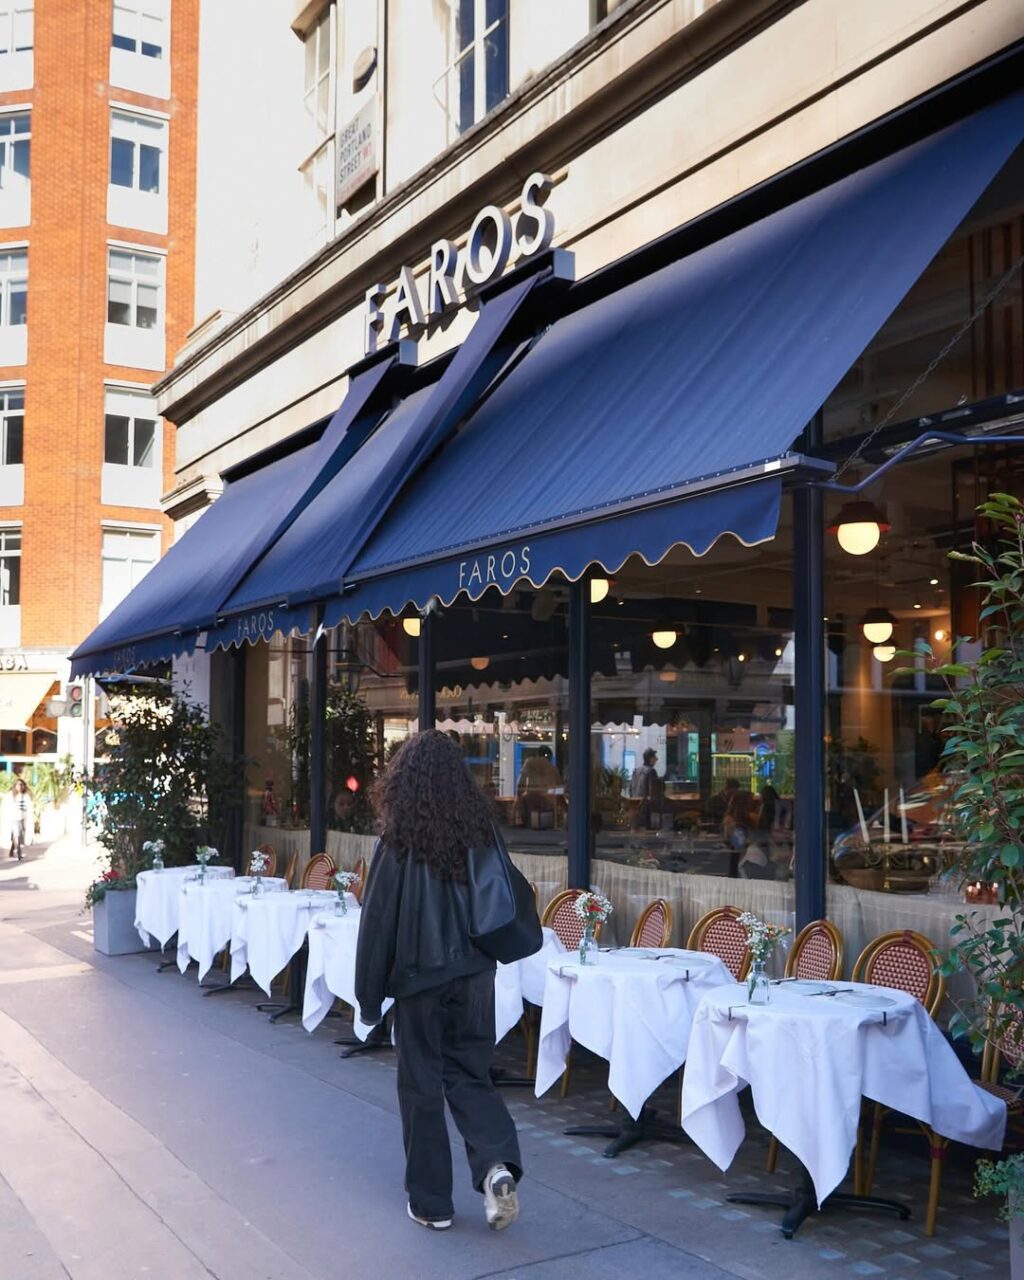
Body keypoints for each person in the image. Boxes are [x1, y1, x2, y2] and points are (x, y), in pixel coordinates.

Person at [355, 730, 522, 1233]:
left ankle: (432, 1204)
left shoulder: (397, 840)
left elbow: (377, 923)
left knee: (421, 1085)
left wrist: (367, 998)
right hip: (474, 977)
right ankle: (496, 1165)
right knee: (471, 1075)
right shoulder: (479, 832)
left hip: (419, 980)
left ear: (402, 780)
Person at [515, 745, 562, 829]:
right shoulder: (553, 769)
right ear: (550, 758)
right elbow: (559, 789)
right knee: (546, 826)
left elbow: (520, 783)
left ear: (537, 754)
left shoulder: (529, 763)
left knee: (531, 826)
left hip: (531, 801)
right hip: (548, 803)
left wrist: (520, 799)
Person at [630, 748, 663, 829]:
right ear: (650, 759)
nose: (656, 759)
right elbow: (652, 793)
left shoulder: (636, 771)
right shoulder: (651, 771)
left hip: (635, 808)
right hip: (646, 809)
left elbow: (630, 790)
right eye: (655, 757)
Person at [7, 777, 32, 861]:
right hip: (13, 819)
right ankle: (19, 852)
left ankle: (11, 850)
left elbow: (29, 808)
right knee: (16, 835)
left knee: (18, 835)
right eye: (19, 785)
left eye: (22, 785)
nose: (20, 787)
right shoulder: (11, 795)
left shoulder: (26, 796)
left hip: (22, 819)